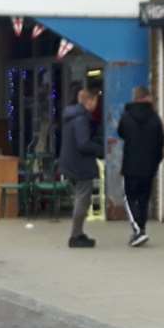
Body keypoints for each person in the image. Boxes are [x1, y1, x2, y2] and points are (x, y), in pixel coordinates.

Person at [117, 85, 164, 247]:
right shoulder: (155, 118)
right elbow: (161, 142)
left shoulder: (126, 116)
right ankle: (141, 229)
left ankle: (138, 230)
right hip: (149, 167)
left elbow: (121, 133)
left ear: (135, 97)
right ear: (148, 97)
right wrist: (155, 162)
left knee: (129, 197)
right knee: (144, 199)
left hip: (130, 165)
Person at [59, 87, 104, 248]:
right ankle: (76, 235)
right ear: (89, 101)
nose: (97, 104)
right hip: (80, 165)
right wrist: (100, 150)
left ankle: (78, 233)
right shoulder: (81, 119)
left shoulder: (71, 116)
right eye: (96, 101)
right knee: (82, 200)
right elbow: (83, 143)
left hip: (70, 163)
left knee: (81, 199)